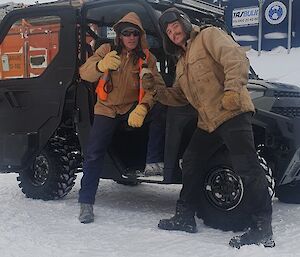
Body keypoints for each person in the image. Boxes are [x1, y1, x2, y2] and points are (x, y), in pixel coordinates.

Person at [141, 7, 275, 249]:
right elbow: (179, 98)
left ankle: (262, 227)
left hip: (231, 112)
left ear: (184, 23)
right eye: (168, 32)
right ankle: (185, 216)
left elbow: (235, 58)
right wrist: (155, 89)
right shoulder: (181, 63)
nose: (173, 33)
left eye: (175, 27)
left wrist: (233, 90)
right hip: (208, 122)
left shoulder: (208, 36)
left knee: (247, 167)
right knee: (191, 160)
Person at [78, 12, 166, 223]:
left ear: (140, 35)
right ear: (119, 35)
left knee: (162, 109)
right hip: (106, 109)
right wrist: (100, 65)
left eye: (135, 33)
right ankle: (86, 203)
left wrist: (144, 106)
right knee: (94, 153)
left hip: (131, 108)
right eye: (126, 33)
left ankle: (153, 162)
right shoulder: (106, 50)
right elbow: (84, 73)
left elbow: (158, 87)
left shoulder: (147, 58)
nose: (131, 37)